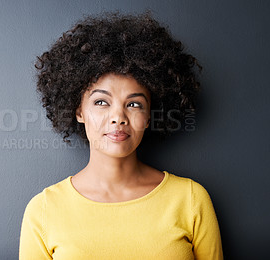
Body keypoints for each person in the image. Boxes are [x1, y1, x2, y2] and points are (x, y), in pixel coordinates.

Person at [19, 10, 223, 259]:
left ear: (149, 116)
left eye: (134, 104)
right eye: (102, 102)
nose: (118, 117)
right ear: (78, 110)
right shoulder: (43, 210)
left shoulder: (190, 200)